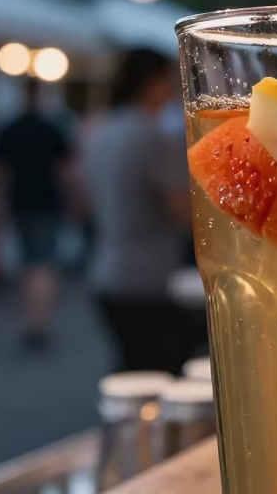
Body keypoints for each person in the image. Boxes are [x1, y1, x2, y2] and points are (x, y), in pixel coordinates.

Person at [83, 48, 200, 373]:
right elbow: (183, 210)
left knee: (131, 366)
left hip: (106, 267)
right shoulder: (151, 136)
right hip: (147, 277)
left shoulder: (101, 131)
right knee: (160, 370)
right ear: (151, 82)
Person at [0, 77, 73, 350]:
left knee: (28, 264)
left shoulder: (9, 129)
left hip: (20, 203)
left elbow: (0, 173)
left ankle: (30, 321)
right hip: (47, 203)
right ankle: (40, 321)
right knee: (44, 263)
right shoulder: (51, 128)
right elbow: (65, 170)